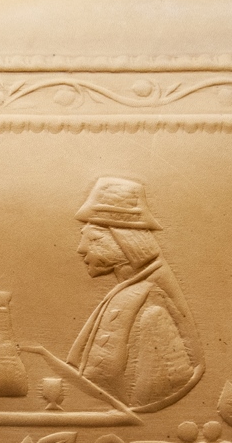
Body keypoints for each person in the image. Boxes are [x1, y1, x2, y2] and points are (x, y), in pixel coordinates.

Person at [67, 177, 204, 412]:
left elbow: (152, 394)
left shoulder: (151, 303)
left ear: (124, 242)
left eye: (93, 239)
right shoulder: (129, 292)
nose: (81, 248)